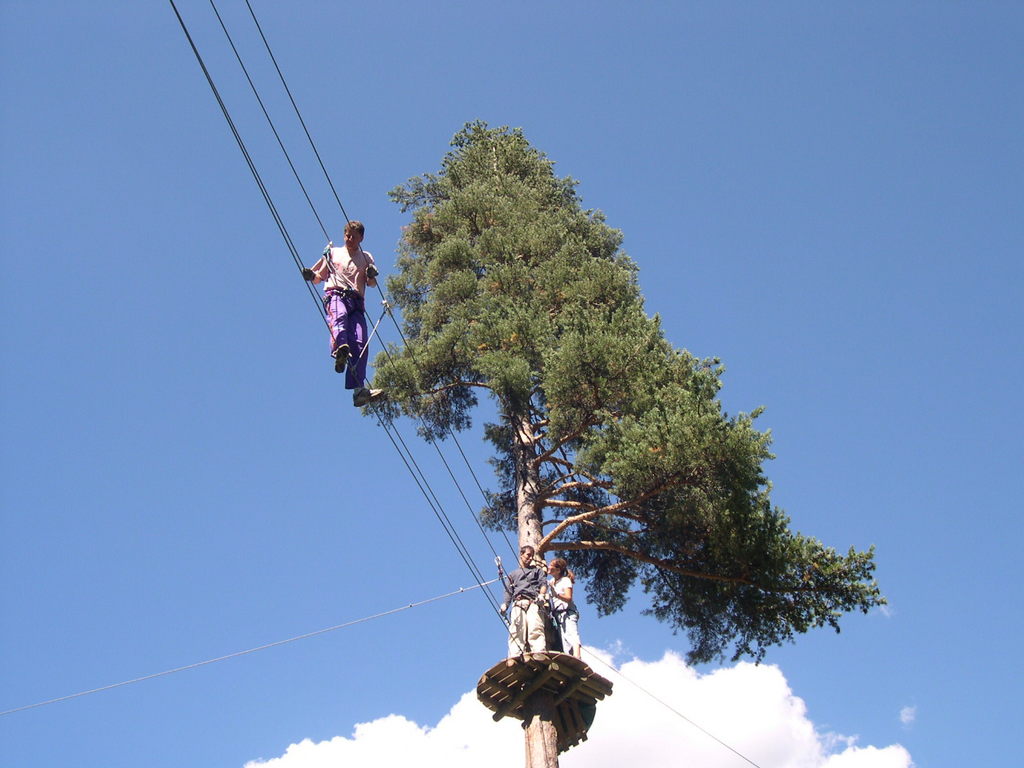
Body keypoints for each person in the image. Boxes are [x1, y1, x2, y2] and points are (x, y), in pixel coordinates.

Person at [302, 220, 384, 407]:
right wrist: (310, 275)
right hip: (336, 293)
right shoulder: (333, 252)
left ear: (361, 238)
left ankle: (358, 390)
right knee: (339, 320)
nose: (349, 238)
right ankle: (340, 350)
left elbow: (371, 284)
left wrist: (371, 274)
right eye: (347, 234)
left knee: (361, 342)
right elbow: (319, 277)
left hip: (356, 301)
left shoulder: (366, 256)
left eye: (354, 236)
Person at [500, 545, 548, 661]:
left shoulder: (537, 571)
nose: (530, 558)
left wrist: (541, 595)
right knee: (516, 630)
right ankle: (515, 655)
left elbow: (543, 584)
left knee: (535, 627)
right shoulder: (513, 574)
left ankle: (539, 651)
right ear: (521, 555)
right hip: (518, 603)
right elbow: (508, 591)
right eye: (528, 555)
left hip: (533, 602)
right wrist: (505, 604)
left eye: (532, 556)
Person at [547, 557, 581, 659]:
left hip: (568, 612)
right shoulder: (552, 581)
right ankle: (570, 657)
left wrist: (556, 595)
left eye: (551, 565)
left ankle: (577, 655)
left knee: (571, 633)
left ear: (558, 570)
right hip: (558, 614)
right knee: (564, 638)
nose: (548, 567)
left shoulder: (565, 580)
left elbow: (568, 598)